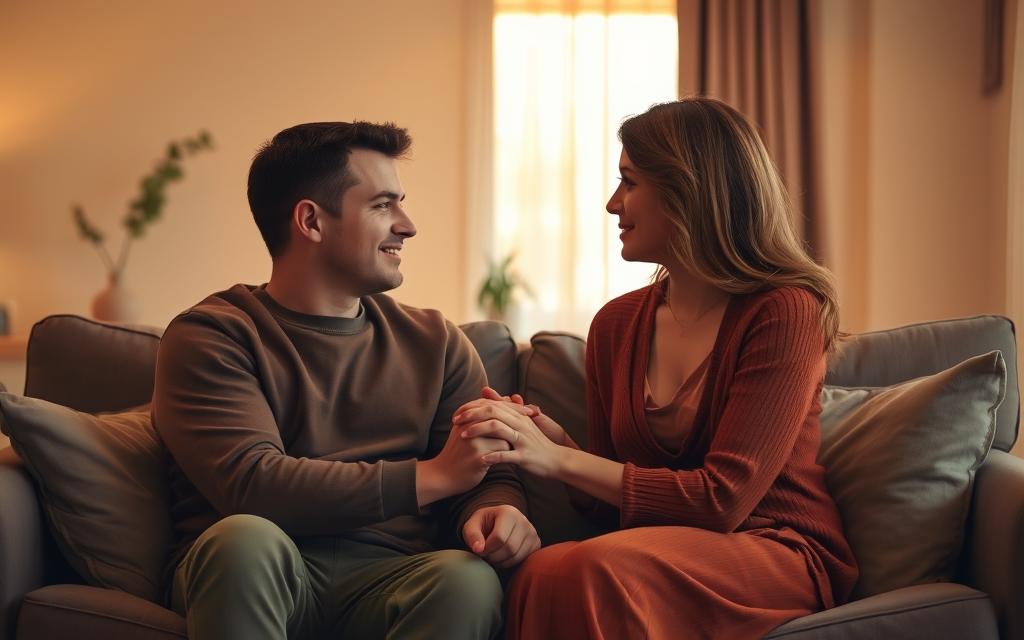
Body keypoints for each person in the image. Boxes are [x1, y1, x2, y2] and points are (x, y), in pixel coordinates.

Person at [454, 97, 859, 639]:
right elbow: (614, 513)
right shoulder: (616, 325)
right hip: (652, 549)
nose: (611, 204)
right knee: (539, 572)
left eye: (629, 182)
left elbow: (723, 500)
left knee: (595, 569)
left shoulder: (783, 312)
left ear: (689, 191)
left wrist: (561, 460)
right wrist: (557, 444)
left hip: (773, 546)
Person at [152, 121, 539, 640]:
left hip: (393, 576)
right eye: (382, 205)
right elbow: (252, 484)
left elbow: (485, 469)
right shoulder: (212, 335)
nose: (407, 225)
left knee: (467, 580)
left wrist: (498, 510)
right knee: (243, 541)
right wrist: (435, 476)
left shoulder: (436, 341)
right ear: (311, 221)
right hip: (262, 570)